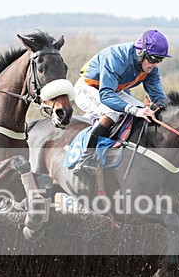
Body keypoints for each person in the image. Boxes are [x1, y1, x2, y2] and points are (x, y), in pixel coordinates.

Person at [72, 29, 171, 174]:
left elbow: (159, 97)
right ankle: (85, 158)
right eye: (153, 59)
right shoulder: (116, 58)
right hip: (88, 88)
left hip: (114, 91)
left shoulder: (150, 68)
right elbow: (106, 95)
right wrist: (135, 110)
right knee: (113, 112)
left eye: (159, 60)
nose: (155, 64)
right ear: (140, 53)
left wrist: (162, 107)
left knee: (144, 113)